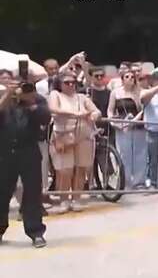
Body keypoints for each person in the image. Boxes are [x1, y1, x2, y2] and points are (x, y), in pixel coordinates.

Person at [0, 69, 51, 247]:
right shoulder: (3, 99)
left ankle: (36, 232)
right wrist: (7, 95)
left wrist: (30, 102)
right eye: (5, 80)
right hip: (5, 152)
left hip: (29, 151)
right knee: (2, 192)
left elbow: (45, 118)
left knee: (32, 193)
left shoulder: (34, 97)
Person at [48, 72, 102, 213]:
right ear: (60, 84)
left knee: (81, 168)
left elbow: (96, 111)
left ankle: (76, 198)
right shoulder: (55, 95)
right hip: (63, 136)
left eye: (73, 82)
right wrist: (74, 114)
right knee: (65, 170)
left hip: (83, 136)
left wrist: (94, 115)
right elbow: (53, 108)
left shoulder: (82, 97)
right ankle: (64, 199)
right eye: (67, 82)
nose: (71, 85)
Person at [108, 70, 147, 189]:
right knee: (124, 154)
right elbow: (110, 110)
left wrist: (134, 119)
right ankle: (125, 181)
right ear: (122, 79)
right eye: (127, 76)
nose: (130, 78)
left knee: (140, 154)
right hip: (122, 126)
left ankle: (139, 181)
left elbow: (143, 109)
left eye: (132, 77)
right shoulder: (115, 93)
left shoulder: (139, 92)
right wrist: (112, 121)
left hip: (137, 125)